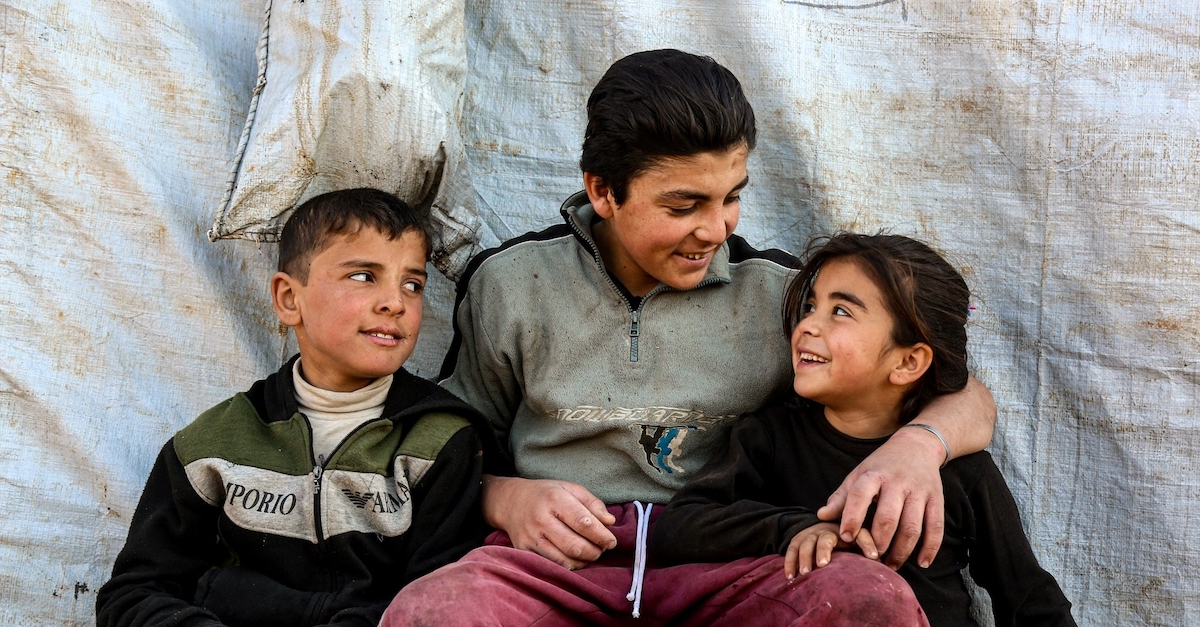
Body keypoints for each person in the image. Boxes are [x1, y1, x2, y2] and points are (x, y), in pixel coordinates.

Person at [381, 49, 996, 625]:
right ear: (603, 191)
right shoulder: (512, 283)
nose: (714, 229)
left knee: (868, 598)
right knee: (434, 610)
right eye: (683, 206)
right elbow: (448, 447)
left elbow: (961, 392)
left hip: (733, 560)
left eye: (731, 198)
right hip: (556, 569)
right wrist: (505, 499)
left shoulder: (780, 293)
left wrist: (917, 448)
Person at [96, 188, 497, 627]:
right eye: (364, 276)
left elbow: (439, 605)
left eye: (412, 284)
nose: (395, 302)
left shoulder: (441, 444)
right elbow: (133, 595)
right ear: (289, 299)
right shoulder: (213, 446)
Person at [652, 233, 1076, 626]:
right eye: (810, 306)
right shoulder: (771, 436)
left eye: (840, 311)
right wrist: (792, 529)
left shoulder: (964, 472)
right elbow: (682, 527)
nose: (808, 326)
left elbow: (1027, 598)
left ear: (908, 362)